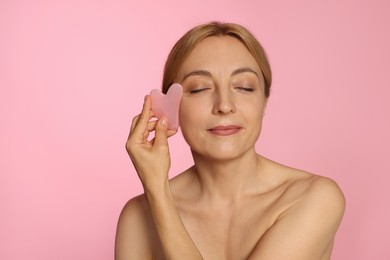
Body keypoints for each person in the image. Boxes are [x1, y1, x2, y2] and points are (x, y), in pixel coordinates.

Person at [115, 22, 345, 260]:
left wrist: (158, 194)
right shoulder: (138, 217)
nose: (224, 105)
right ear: (171, 107)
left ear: (264, 102)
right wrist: (156, 189)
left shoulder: (314, 197)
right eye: (200, 89)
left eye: (244, 87)